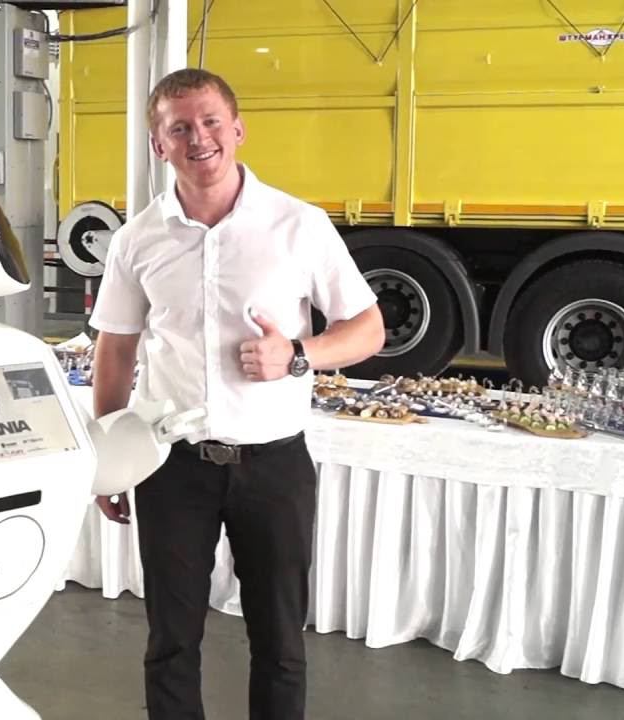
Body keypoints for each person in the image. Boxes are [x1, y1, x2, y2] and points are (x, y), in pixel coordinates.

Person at [88, 68, 385, 720]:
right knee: (171, 643)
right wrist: (108, 459)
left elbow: (368, 328)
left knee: (280, 644)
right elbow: (116, 350)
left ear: (239, 129)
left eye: (211, 122)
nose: (199, 139)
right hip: (171, 467)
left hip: (273, 465)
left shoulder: (299, 225)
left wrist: (298, 354)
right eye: (179, 128)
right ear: (158, 144)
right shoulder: (137, 240)